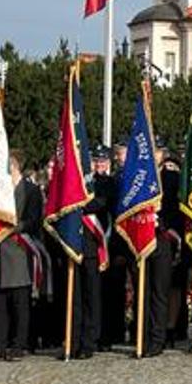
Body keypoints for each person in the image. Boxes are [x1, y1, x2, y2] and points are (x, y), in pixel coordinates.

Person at [0, 150, 40, 360]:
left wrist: (14, 229)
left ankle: (20, 344)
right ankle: (0, 345)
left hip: (20, 250)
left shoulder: (31, 190)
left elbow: (34, 219)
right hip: (0, 251)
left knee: (20, 302)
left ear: (14, 166)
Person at [140, 146, 184, 358]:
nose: (155, 155)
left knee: (160, 291)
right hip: (142, 238)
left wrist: (174, 231)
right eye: (152, 150)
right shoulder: (139, 175)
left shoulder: (171, 176)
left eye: (158, 151)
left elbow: (178, 206)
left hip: (164, 238)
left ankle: (158, 338)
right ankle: (143, 336)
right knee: (144, 290)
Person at [88, 147, 128, 348]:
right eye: (96, 161)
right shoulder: (88, 183)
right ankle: (97, 334)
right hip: (93, 244)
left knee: (113, 293)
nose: (99, 164)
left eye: (103, 161)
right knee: (96, 292)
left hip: (112, 244)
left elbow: (109, 210)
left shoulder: (114, 184)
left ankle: (113, 334)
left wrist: (120, 250)